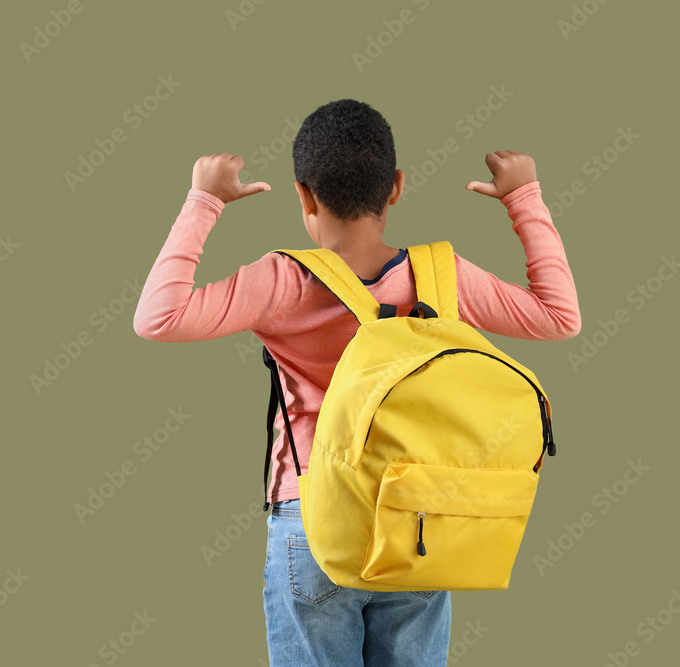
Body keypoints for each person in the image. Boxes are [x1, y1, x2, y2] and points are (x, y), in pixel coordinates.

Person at [132, 99, 581, 666]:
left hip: (311, 515)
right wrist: (524, 198)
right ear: (395, 187)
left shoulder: (282, 280)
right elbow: (560, 317)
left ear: (304, 195)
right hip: (417, 513)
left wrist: (205, 200)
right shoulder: (442, 276)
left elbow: (157, 318)